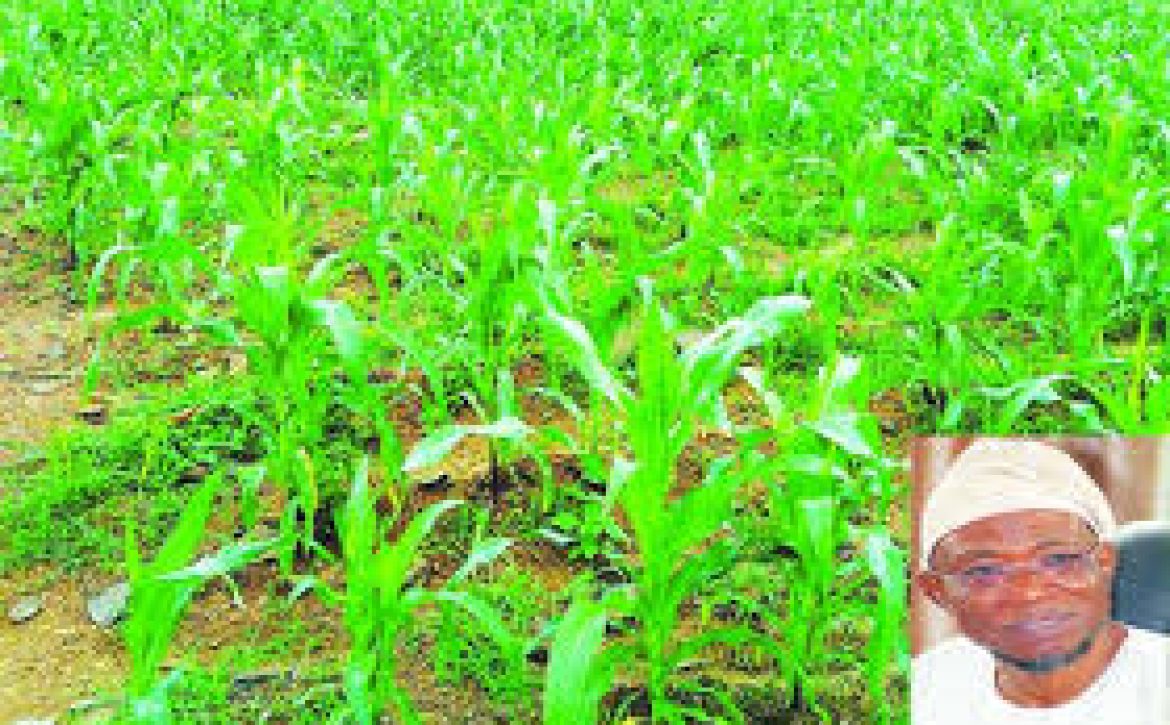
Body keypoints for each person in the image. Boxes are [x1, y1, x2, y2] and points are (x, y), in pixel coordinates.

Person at [912, 440, 1170, 724]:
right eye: (984, 571)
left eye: (1059, 560)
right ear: (937, 593)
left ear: (1105, 563)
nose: (1029, 592)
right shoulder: (922, 690)